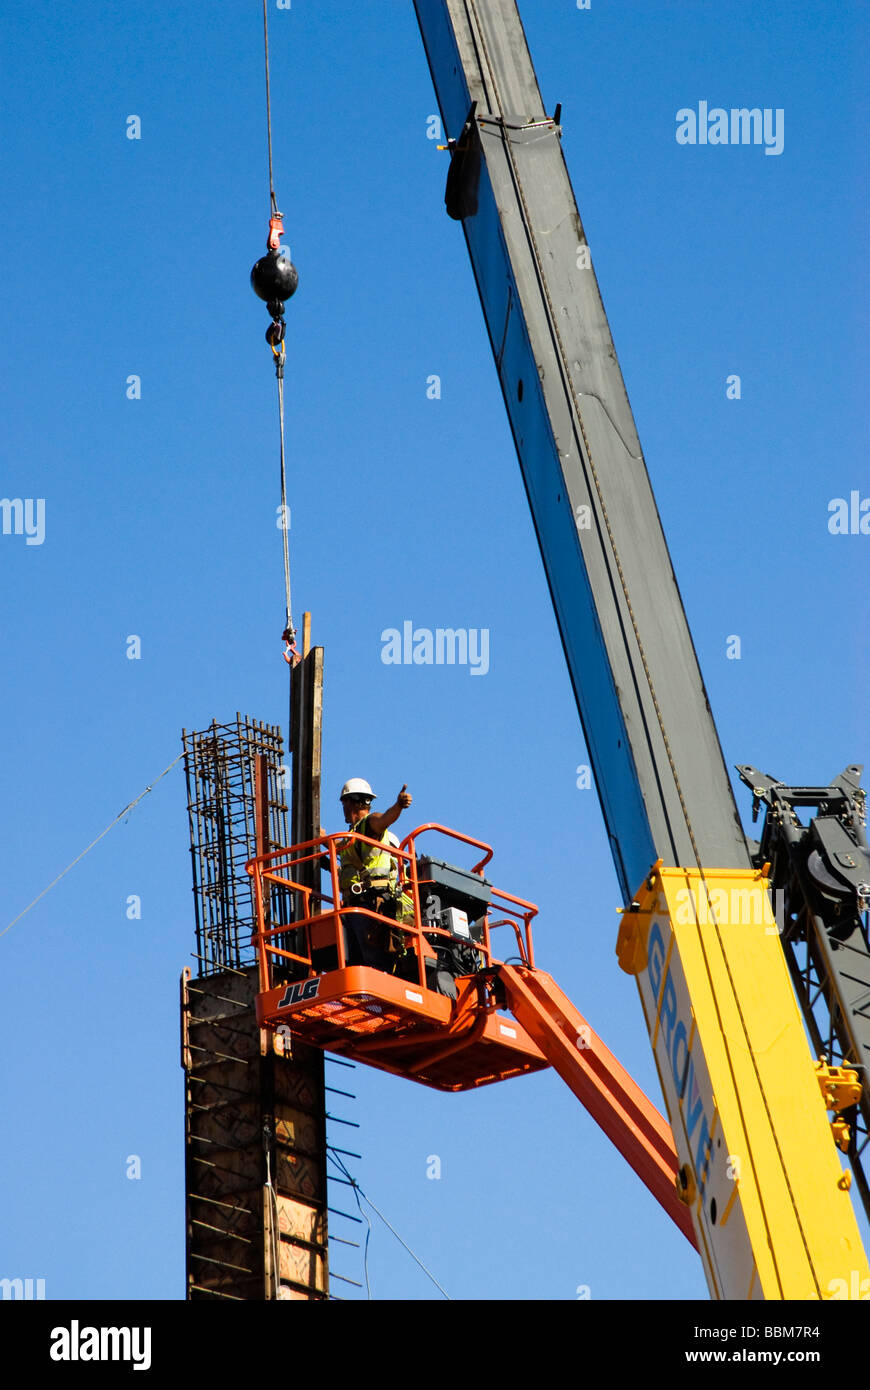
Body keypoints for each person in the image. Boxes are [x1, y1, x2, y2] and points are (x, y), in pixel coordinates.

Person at [336, 779, 413, 970]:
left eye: (344, 803)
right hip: (354, 905)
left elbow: (384, 819)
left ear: (352, 802)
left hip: (371, 903)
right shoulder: (351, 837)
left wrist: (398, 806)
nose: (343, 808)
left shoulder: (369, 825)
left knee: (375, 965)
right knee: (356, 965)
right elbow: (339, 851)